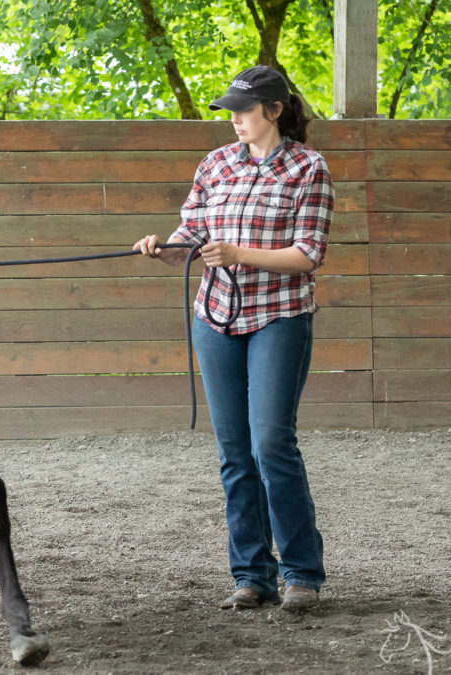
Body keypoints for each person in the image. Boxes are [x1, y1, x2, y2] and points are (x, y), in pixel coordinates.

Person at [133, 65, 334, 612]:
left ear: (273, 110)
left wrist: (240, 253)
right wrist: (161, 249)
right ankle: (251, 576)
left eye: (245, 110)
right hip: (216, 318)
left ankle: (302, 573)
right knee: (235, 453)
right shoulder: (215, 165)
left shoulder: (307, 168)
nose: (235, 120)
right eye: (231, 111)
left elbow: (308, 255)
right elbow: (189, 241)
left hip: (280, 317)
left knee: (271, 443)